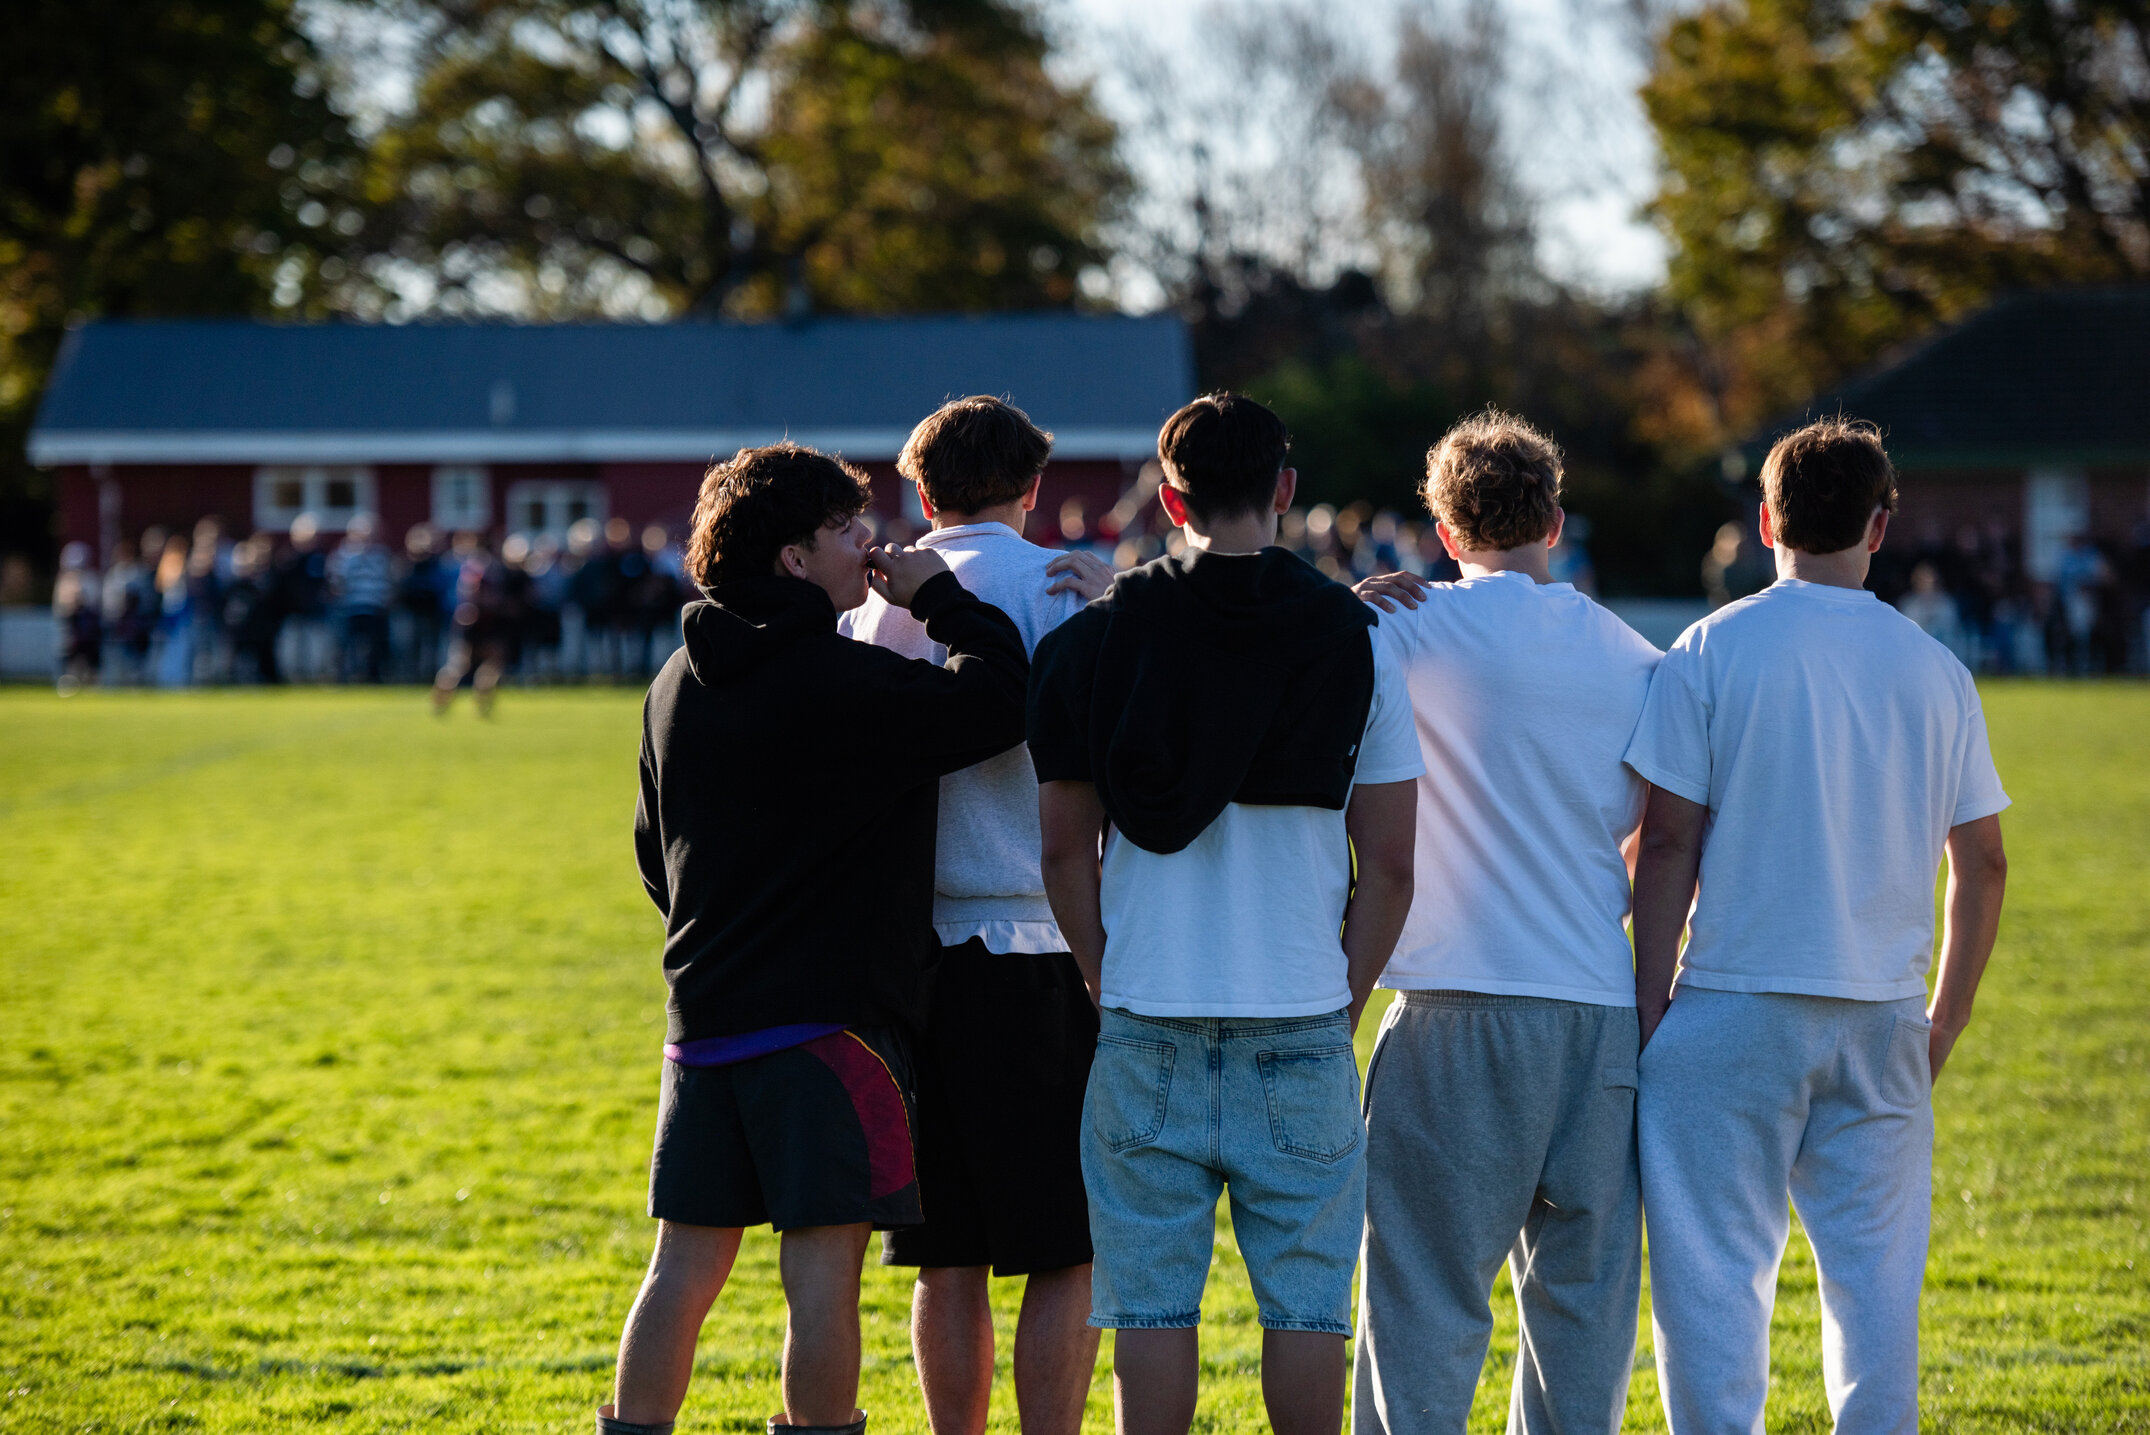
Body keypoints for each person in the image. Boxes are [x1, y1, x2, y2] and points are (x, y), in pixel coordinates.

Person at [602, 443, 1033, 1435]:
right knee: (820, 1277)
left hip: (703, 1018)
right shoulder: (840, 679)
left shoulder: (673, 680)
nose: (871, 544)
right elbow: (998, 698)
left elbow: (649, 852)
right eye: (848, 529)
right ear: (795, 559)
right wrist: (940, 602)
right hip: (830, 1032)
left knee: (680, 1265)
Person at [1029, 394, 1422, 1435]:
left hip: (1147, 1002)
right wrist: (1342, 996)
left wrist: (1098, 970)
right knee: (1304, 1308)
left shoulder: (1093, 643)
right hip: (1297, 1009)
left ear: (1168, 499)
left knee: (1149, 1307)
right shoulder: (1353, 638)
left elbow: (1064, 846)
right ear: (1285, 490)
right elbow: (1387, 865)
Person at [1625, 417, 2011, 1435]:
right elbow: (1982, 862)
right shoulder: (1936, 672)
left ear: (1763, 521)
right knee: (1874, 1293)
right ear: (1879, 526)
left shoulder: (1708, 647)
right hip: (1879, 1013)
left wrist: (1647, 1003)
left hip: (1726, 1004)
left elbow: (1665, 844)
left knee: (1711, 1290)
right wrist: (1944, 1020)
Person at [1347, 411, 1660, 1435]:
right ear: (1555, 521)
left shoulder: (1400, 626)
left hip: (1449, 1000)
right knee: (1582, 1311)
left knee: (1421, 1305)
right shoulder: (1633, 656)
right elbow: (1654, 834)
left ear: (1441, 531)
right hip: (1593, 1009)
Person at [838, 397, 1115, 1435]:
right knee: (1067, 1247)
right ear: (1030, 485)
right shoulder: (1058, 587)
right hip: (1043, 940)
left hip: (913, 951)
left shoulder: (873, 604)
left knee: (941, 1247)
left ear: (919, 488)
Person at [329, 513, 395, 683]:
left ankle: (373, 677)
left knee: (375, 645)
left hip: (375, 607)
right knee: (346, 644)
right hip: (350, 607)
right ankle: (344, 676)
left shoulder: (381, 555)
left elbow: (389, 580)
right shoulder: (343, 555)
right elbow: (336, 582)